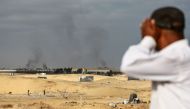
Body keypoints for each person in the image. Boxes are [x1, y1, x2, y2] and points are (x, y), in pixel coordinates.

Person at [120, 6, 190, 109]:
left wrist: (148, 39)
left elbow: (129, 65)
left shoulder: (176, 57)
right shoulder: (182, 54)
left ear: (155, 29)